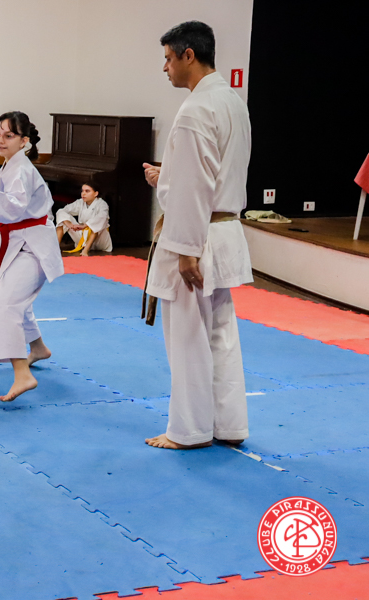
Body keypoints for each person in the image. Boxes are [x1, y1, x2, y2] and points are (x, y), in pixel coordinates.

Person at [141, 21, 252, 450]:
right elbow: (210, 173)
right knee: (221, 335)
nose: (165, 67)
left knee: (188, 337)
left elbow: (193, 187)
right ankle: (230, 425)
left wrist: (186, 251)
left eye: (169, 58)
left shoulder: (195, 109)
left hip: (196, 236)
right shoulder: (232, 101)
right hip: (224, 229)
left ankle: (188, 430)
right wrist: (167, 176)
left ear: (189, 55)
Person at [0, 112, 64, 402]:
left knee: (2, 306)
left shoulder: (22, 170)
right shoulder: (9, 166)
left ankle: (22, 373)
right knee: (18, 300)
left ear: (24, 141)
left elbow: (14, 209)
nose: (0, 140)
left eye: (8, 135)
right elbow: (4, 212)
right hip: (20, 242)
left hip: (33, 246)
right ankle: (38, 348)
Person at [54, 183, 113, 255]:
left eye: (87, 191)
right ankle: (55, 248)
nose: (83, 193)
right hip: (82, 237)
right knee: (61, 213)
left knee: (97, 224)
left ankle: (85, 251)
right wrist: (68, 223)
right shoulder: (80, 202)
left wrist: (85, 226)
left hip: (99, 241)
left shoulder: (102, 204)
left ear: (96, 193)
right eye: (82, 191)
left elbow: (101, 218)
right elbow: (63, 211)